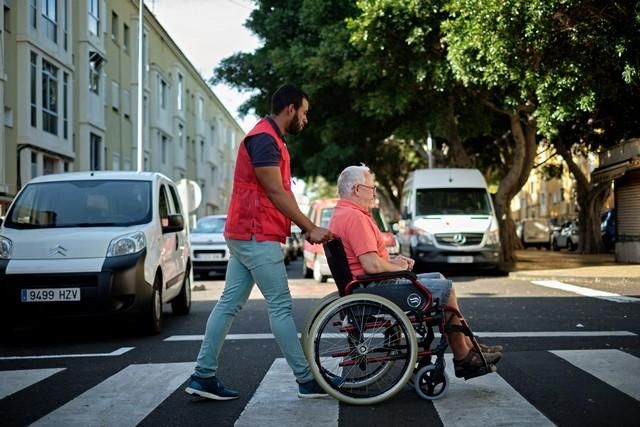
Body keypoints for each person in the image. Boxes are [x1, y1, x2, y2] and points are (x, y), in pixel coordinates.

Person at [185, 85, 332, 401]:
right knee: (279, 306)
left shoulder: (272, 139)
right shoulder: (265, 139)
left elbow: (284, 191)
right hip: (255, 234)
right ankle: (306, 380)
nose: (305, 119)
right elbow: (275, 191)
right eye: (304, 112)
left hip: (245, 233)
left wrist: (308, 227)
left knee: (228, 304)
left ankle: (202, 376)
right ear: (290, 109)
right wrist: (309, 227)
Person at [328, 165, 504, 380]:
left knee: (438, 278)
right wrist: (399, 267)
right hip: (374, 287)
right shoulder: (355, 218)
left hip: (366, 284)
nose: (374, 193)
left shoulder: (341, 214)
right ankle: (463, 355)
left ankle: (469, 346)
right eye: (371, 188)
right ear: (357, 189)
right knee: (445, 289)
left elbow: (364, 260)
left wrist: (393, 261)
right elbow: (372, 266)